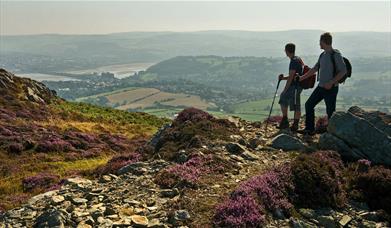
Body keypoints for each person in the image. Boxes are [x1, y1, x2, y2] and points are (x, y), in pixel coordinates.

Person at [298, 32, 347, 135]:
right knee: (309, 105)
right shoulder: (322, 55)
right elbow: (315, 69)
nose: (319, 44)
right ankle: (310, 129)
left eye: (320, 42)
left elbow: (343, 71)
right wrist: (301, 78)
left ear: (324, 42)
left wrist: (331, 82)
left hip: (331, 88)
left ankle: (332, 134)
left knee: (330, 112)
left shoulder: (336, 55)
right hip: (321, 87)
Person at [277, 43, 304, 131]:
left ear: (287, 51)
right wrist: (283, 78)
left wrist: (285, 89)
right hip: (298, 85)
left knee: (286, 99)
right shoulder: (298, 59)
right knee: (293, 102)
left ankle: (290, 123)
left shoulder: (293, 61)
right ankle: (291, 123)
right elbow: (293, 75)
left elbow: (291, 76)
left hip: (295, 86)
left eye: (285, 50)